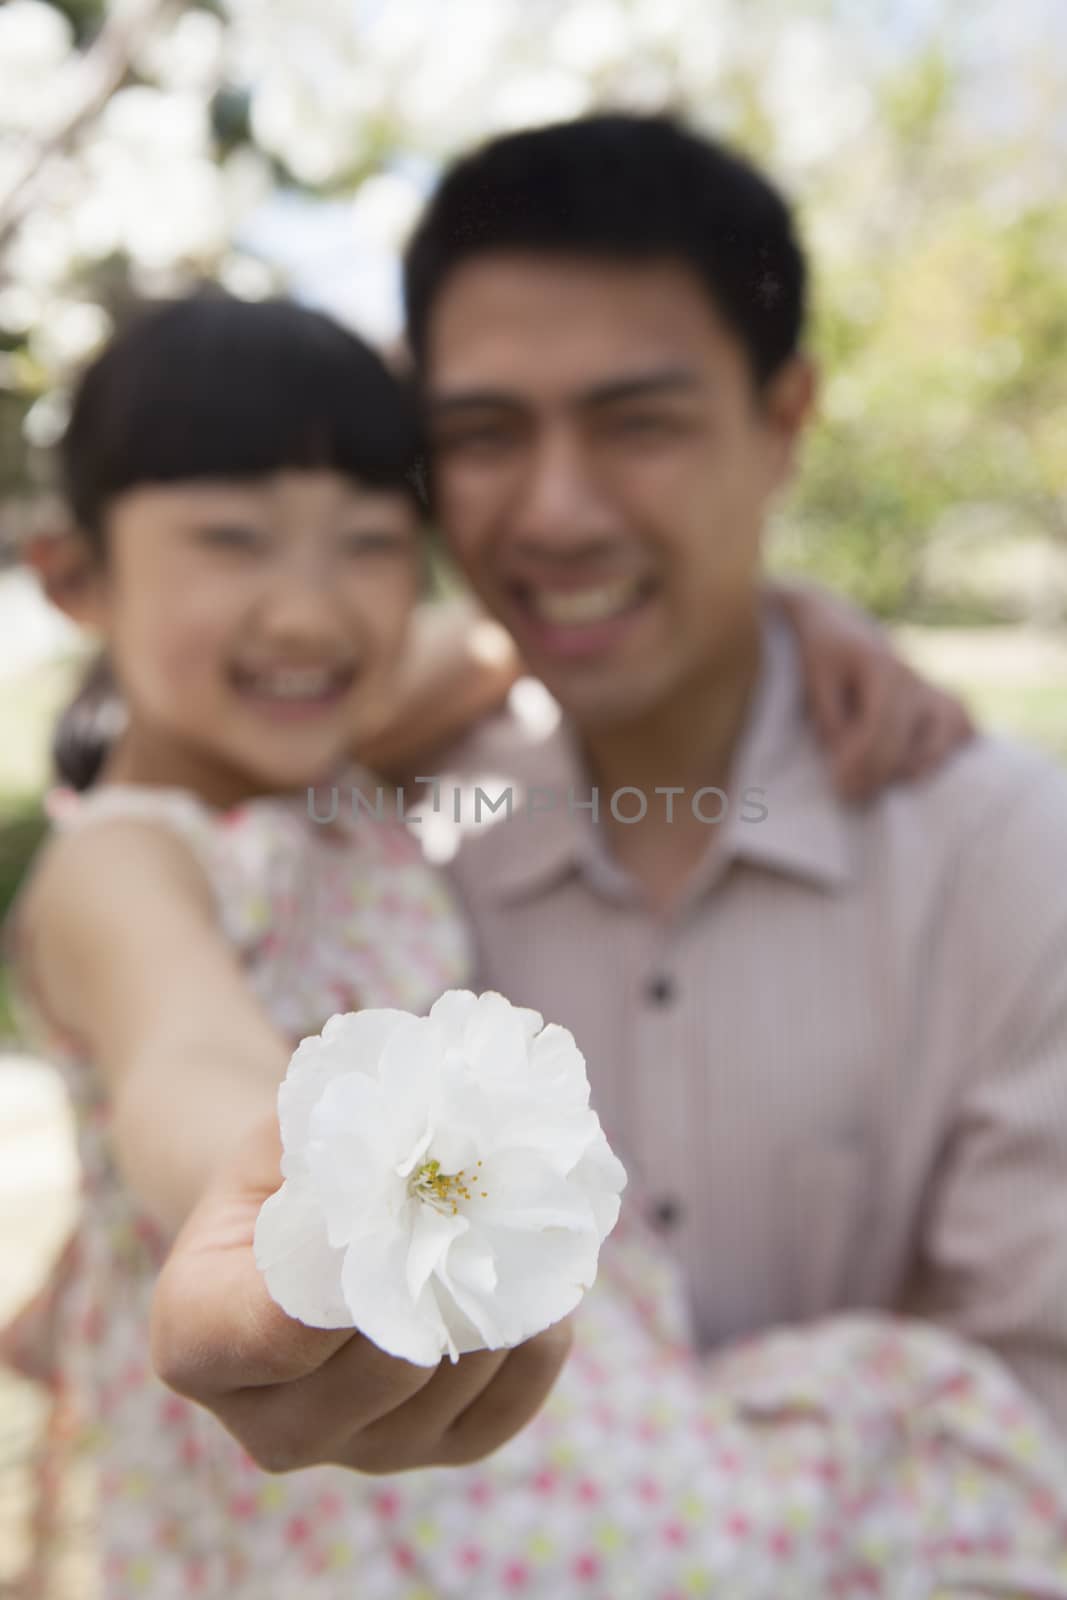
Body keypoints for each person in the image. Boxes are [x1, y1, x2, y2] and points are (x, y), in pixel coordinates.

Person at [13, 311, 1062, 1598]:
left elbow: (528, 634)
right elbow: (183, 1048)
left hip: (551, 1412)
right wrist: (259, 1195)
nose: (311, 608)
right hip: (349, 1468)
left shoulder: (345, 753)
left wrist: (793, 617)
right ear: (73, 577)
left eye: (372, 546)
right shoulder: (119, 864)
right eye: (232, 542)